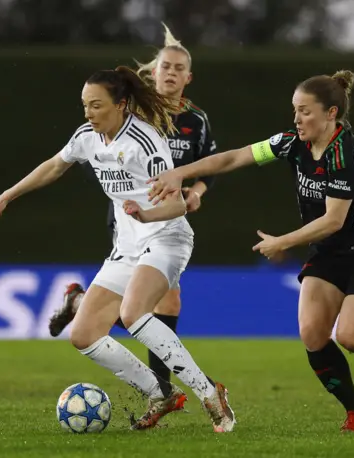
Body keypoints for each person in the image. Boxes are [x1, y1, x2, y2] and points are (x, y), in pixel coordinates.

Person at [147, 70, 354, 432]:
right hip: (329, 254)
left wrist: (282, 241)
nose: (297, 118)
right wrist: (179, 173)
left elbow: (334, 220)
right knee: (312, 334)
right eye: (295, 110)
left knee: (352, 337)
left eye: (305, 111)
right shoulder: (291, 142)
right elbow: (233, 158)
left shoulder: (343, 154)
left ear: (330, 114)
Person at [0, 66, 235, 433]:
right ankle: (159, 393)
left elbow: (178, 205)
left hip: (165, 236)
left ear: (121, 104)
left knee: (133, 314)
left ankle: (209, 392)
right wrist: (6, 197)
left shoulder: (144, 143)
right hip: (127, 245)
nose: (88, 113)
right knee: (83, 335)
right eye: (85, 105)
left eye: (96, 106)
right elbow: (55, 166)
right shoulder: (88, 136)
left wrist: (146, 214)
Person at [49, 23, 218, 385]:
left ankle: (79, 305)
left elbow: (208, 166)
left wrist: (196, 193)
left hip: (167, 214)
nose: (170, 72)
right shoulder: (133, 116)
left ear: (189, 77)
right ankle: (164, 388)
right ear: (152, 72)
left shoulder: (195, 121)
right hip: (132, 218)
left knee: (148, 306)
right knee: (159, 305)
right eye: (165, 66)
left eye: (178, 68)